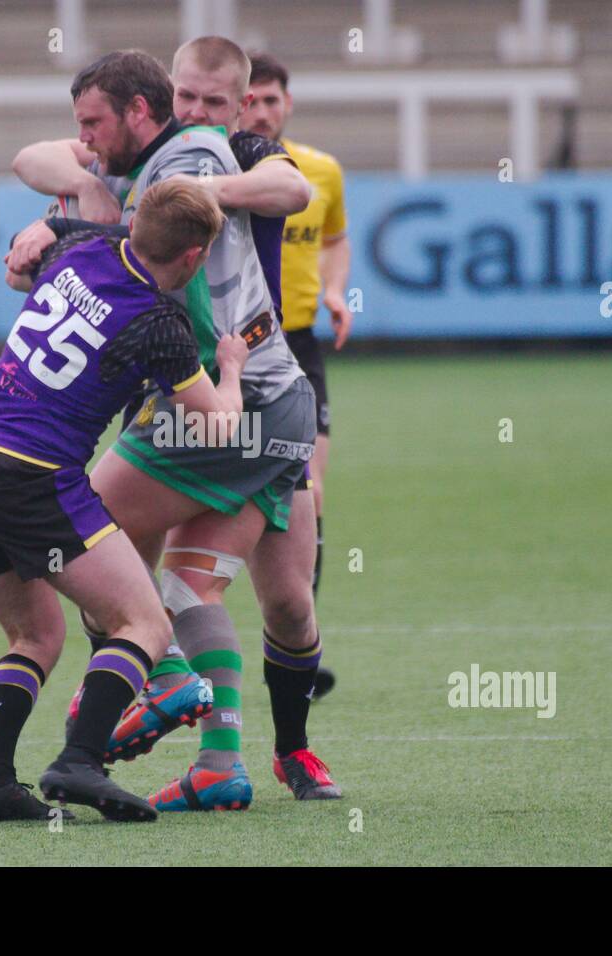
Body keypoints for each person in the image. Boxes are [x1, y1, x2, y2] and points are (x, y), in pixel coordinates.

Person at [9, 41, 341, 809]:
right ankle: (222, 764)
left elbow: (288, 191)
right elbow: (37, 159)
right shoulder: (140, 153)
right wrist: (82, 191)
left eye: (214, 102)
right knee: (221, 596)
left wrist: (59, 231)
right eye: (186, 96)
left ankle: (163, 686)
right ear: (164, 92)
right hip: (258, 395)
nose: (198, 113)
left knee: (77, 532)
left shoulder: (204, 150)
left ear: (238, 103)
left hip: (234, 393)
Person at [0, 179, 249, 822]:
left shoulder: (78, 254)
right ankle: (79, 761)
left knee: (35, 636)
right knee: (144, 622)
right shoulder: (160, 323)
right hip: (33, 476)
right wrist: (233, 365)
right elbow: (218, 425)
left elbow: (31, 274)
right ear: (192, 260)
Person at [243, 53, 352, 700]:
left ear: (289, 103)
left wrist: (337, 290)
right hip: (234, 346)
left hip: (301, 346)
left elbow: (336, 239)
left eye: (271, 102)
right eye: (250, 102)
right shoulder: (222, 171)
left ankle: (297, 652)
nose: (261, 113)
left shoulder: (321, 172)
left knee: (307, 500)